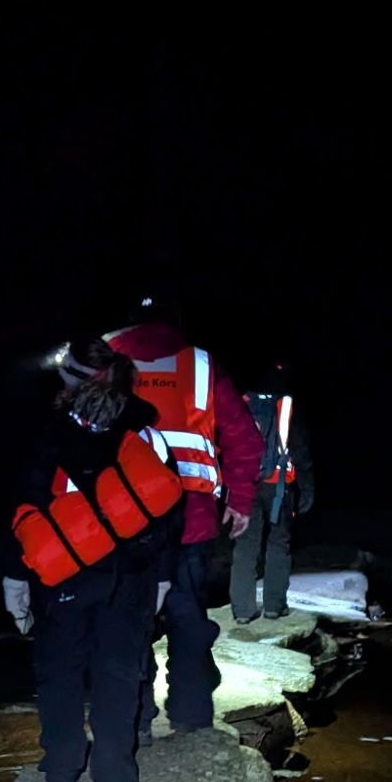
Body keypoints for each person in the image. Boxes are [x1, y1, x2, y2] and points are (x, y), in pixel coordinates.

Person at [2, 337, 184, 782]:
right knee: (119, 674)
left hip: (64, 576)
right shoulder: (145, 433)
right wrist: (163, 577)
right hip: (131, 575)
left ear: (71, 381)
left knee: (59, 673)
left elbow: (26, 507)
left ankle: (61, 773)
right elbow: (168, 510)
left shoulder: (50, 431)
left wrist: (14, 576)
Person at [106, 294, 261, 733]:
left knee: (129, 617)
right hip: (191, 517)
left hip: (124, 519)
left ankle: (134, 722)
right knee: (187, 617)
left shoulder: (106, 358)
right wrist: (240, 500)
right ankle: (191, 719)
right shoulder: (202, 364)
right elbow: (244, 438)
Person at [229, 362, 315, 622]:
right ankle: (275, 606)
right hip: (279, 486)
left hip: (245, 485)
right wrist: (307, 488)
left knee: (245, 546)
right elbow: (300, 449)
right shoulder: (288, 405)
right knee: (278, 544)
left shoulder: (241, 402)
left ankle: (242, 611)